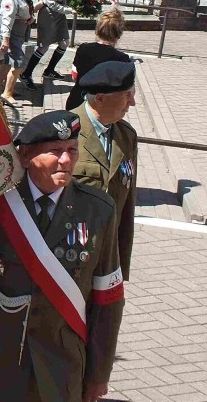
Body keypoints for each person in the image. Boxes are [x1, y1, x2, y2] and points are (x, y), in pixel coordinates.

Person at [0, 110, 124, 402]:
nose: (67, 161)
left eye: (72, 150)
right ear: (25, 157)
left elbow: (108, 299)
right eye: (55, 151)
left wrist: (98, 374)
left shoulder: (98, 210)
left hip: (58, 366)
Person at [71, 61, 138, 281]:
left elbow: (126, 207)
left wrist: (120, 266)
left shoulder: (126, 135)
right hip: (67, 259)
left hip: (106, 259)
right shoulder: (64, 132)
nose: (133, 103)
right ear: (100, 98)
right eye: (127, 95)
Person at [19, 0, 78, 89]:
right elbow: (50, 2)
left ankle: (49, 70)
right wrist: (68, 10)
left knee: (64, 43)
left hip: (59, 13)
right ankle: (26, 74)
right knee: (43, 46)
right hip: (49, 14)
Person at [65, 6, 130, 110]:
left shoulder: (83, 48)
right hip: (101, 109)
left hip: (77, 102)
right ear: (119, 34)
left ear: (97, 30)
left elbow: (74, 75)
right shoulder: (122, 59)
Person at [0, 0, 39, 105]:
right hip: (12, 29)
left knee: (9, 62)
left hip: (19, 28)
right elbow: (7, 17)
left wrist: (29, 18)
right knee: (18, 62)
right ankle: (6, 94)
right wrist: (5, 39)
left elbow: (24, 9)